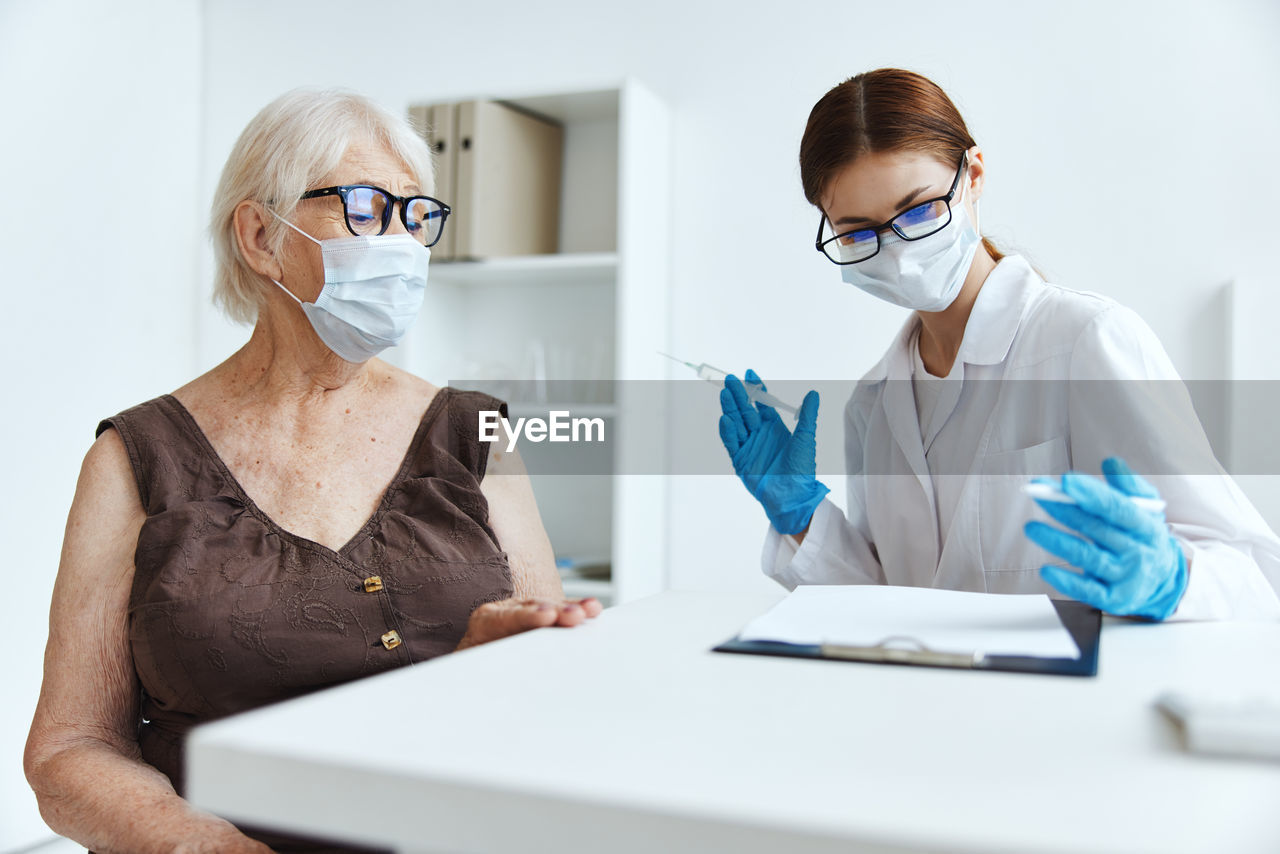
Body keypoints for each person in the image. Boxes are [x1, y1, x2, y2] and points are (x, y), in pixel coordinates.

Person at [24, 88, 601, 853]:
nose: (398, 240)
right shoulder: (135, 458)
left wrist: (491, 665)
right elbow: (69, 750)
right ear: (261, 234)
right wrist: (202, 846)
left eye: (415, 214)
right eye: (364, 207)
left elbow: (549, 695)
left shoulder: (477, 434)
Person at [718, 68, 1280, 621]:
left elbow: (1252, 575)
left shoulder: (1084, 342)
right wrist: (800, 517)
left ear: (974, 175)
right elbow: (886, 604)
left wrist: (1173, 582)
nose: (899, 251)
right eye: (859, 232)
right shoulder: (873, 403)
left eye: (917, 211)